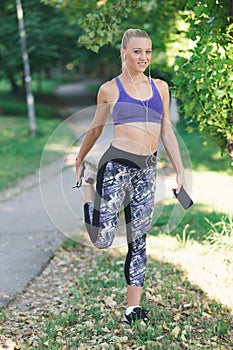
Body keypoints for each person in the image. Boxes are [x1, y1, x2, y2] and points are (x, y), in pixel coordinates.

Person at [75, 28, 186, 325]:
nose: (144, 57)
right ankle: (88, 190)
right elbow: (96, 129)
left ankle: (132, 309)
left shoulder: (161, 87)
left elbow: (167, 132)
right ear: (123, 53)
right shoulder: (109, 90)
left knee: (139, 240)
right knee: (103, 239)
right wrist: (80, 157)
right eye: (137, 51)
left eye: (148, 52)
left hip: (147, 169)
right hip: (116, 167)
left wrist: (180, 171)